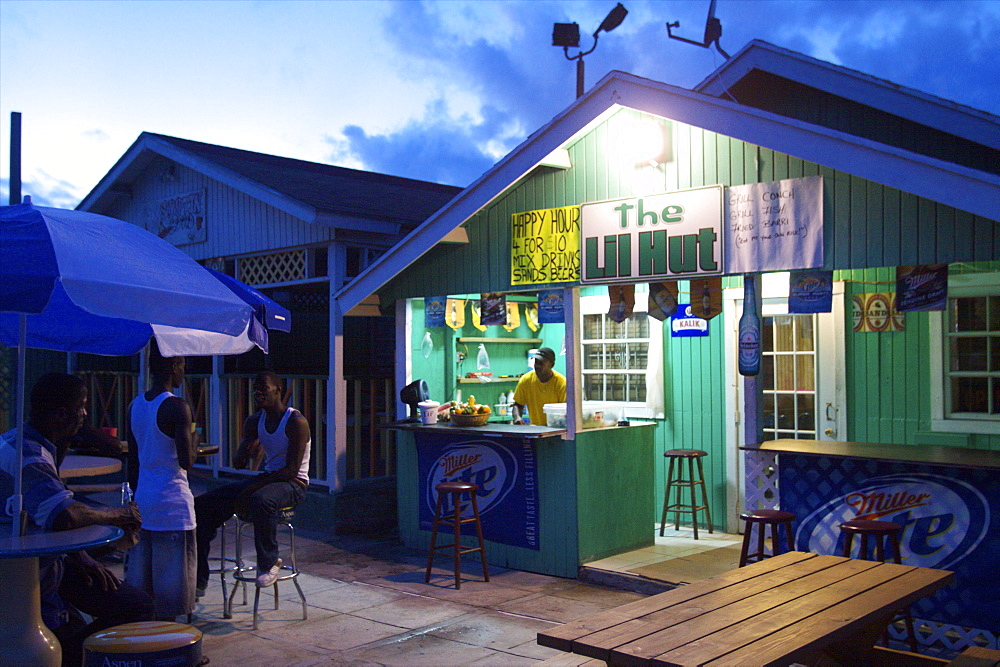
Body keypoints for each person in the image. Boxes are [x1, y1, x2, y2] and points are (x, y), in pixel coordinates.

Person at [0, 373, 153, 666]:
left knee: (132, 604)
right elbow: (63, 515)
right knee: (137, 609)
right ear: (60, 414)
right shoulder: (29, 456)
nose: (85, 415)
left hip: (45, 565)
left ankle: (75, 646)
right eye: (81, 407)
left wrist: (80, 555)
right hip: (24, 580)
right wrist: (120, 514)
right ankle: (75, 653)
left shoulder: (27, 442)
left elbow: (49, 505)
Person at [195, 371, 310, 593]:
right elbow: (239, 464)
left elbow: (291, 470)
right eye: (255, 388)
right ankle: (200, 577)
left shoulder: (296, 421)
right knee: (203, 505)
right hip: (268, 479)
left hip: (294, 483)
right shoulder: (255, 420)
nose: (257, 392)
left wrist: (252, 488)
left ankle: (269, 562)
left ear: (278, 389)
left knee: (260, 499)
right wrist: (244, 452)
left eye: (263, 388)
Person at [125, 345, 197, 620]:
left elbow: (133, 460)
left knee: (144, 594)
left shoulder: (134, 405)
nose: (184, 371)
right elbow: (187, 460)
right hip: (172, 507)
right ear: (173, 367)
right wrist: (194, 435)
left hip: (144, 503)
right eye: (181, 364)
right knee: (172, 598)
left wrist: (134, 502)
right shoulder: (177, 407)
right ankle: (171, 651)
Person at [511, 347, 566, 426]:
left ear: (551, 364)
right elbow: (518, 405)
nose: (537, 366)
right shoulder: (526, 380)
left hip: (556, 429)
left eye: (541, 363)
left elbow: (566, 411)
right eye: (536, 362)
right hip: (535, 429)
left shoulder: (562, 384)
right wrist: (517, 417)